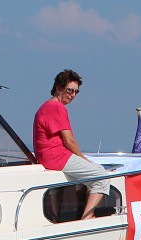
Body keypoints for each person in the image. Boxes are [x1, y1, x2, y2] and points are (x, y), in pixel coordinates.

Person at [33, 69, 110, 220]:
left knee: (94, 174)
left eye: (76, 92)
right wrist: (82, 158)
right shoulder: (56, 107)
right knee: (102, 176)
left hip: (49, 156)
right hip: (56, 156)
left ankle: (85, 213)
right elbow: (69, 140)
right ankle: (87, 218)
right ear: (58, 88)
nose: (73, 95)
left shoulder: (45, 106)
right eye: (69, 90)